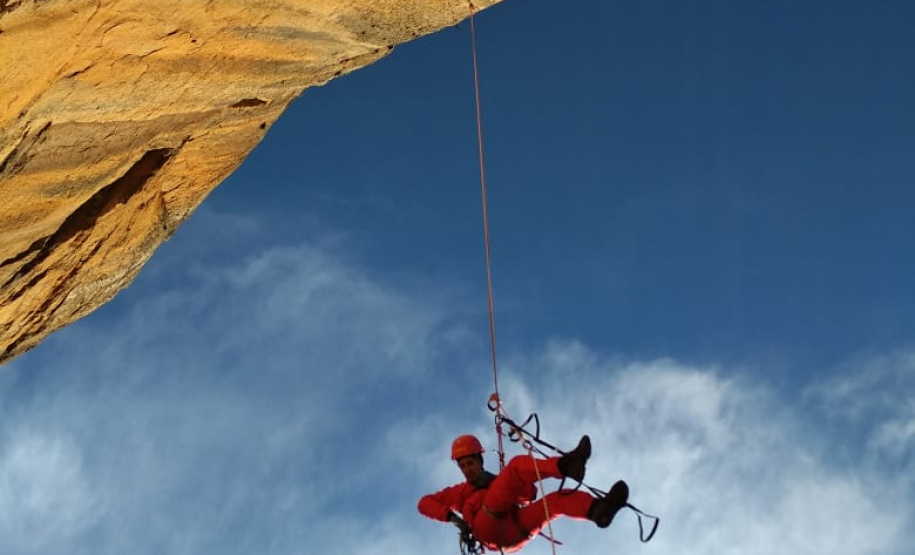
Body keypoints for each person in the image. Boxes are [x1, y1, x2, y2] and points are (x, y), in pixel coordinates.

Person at [418, 433, 630, 553]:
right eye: (462, 465)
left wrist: (502, 484)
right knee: (516, 467)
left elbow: (529, 494)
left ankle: (599, 510)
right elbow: (424, 503)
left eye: (470, 463)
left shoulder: (495, 483)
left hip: (516, 531)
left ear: (480, 461)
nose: (467, 469)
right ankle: (566, 465)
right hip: (487, 526)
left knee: (557, 499)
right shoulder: (460, 492)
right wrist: (454, 519)